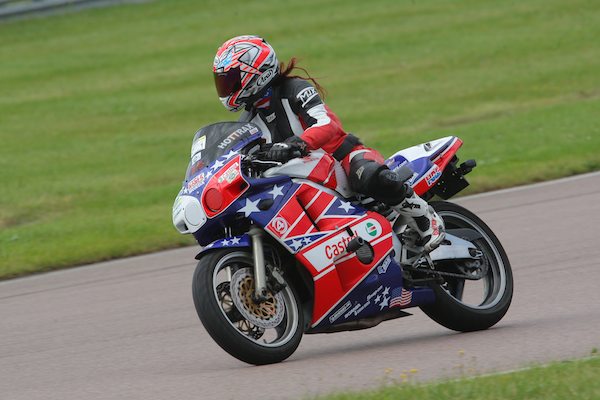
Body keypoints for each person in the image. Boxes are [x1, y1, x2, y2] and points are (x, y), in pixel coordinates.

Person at [212, 35, 445, 252]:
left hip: (340, 158)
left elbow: (327, 124)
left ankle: (424, 216)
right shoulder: (247, 121)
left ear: (257, 74)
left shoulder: (295, 89)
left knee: (368, 175)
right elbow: (240, 155)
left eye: (231, 80)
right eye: (222, 81)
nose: (225, 88)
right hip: (297, 178)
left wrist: (298, 143)